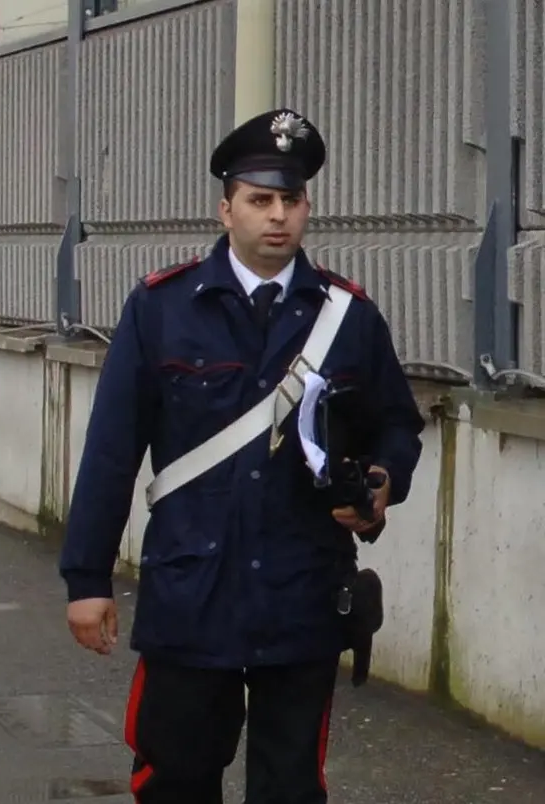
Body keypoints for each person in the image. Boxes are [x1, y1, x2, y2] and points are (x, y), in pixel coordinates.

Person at [58, 108, 425, 803]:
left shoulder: (347, 315)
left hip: (303, 595)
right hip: (192, 597)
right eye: (260, 200)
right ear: (227, 208)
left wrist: (382, 482)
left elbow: (397, 426)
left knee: (290, 786)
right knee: (175, 780)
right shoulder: (162, 309)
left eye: (291, 200)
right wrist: (87, 580)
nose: (278, 217)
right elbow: (111, 449)